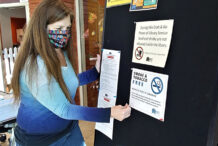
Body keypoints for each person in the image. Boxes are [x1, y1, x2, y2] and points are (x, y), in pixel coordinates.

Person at [11, 0, 131, 145]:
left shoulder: (59, 52)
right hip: (42, 140)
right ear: (42, 28)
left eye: (67, 28)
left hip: (69, 129)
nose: (64, 33)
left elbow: (68, 81)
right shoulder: (35, 65)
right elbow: (64, 109)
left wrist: (95, 72)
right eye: (59, 27)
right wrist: (109, 113)